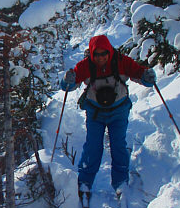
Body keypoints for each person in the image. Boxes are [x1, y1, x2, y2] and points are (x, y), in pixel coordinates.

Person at [59, 35, 156, 197]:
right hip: (95, 113)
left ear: (109, 51)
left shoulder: (121, 61)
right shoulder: (85, 66)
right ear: (91, 54)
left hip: (119, 111)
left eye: (104, 53)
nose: (101, 57)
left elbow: (139, 74)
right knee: (93, 146)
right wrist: (66, 80)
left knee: (118, 145)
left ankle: (120, 182)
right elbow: (69, 85)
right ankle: (84, 182)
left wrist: (148, 77)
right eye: (96, 54)